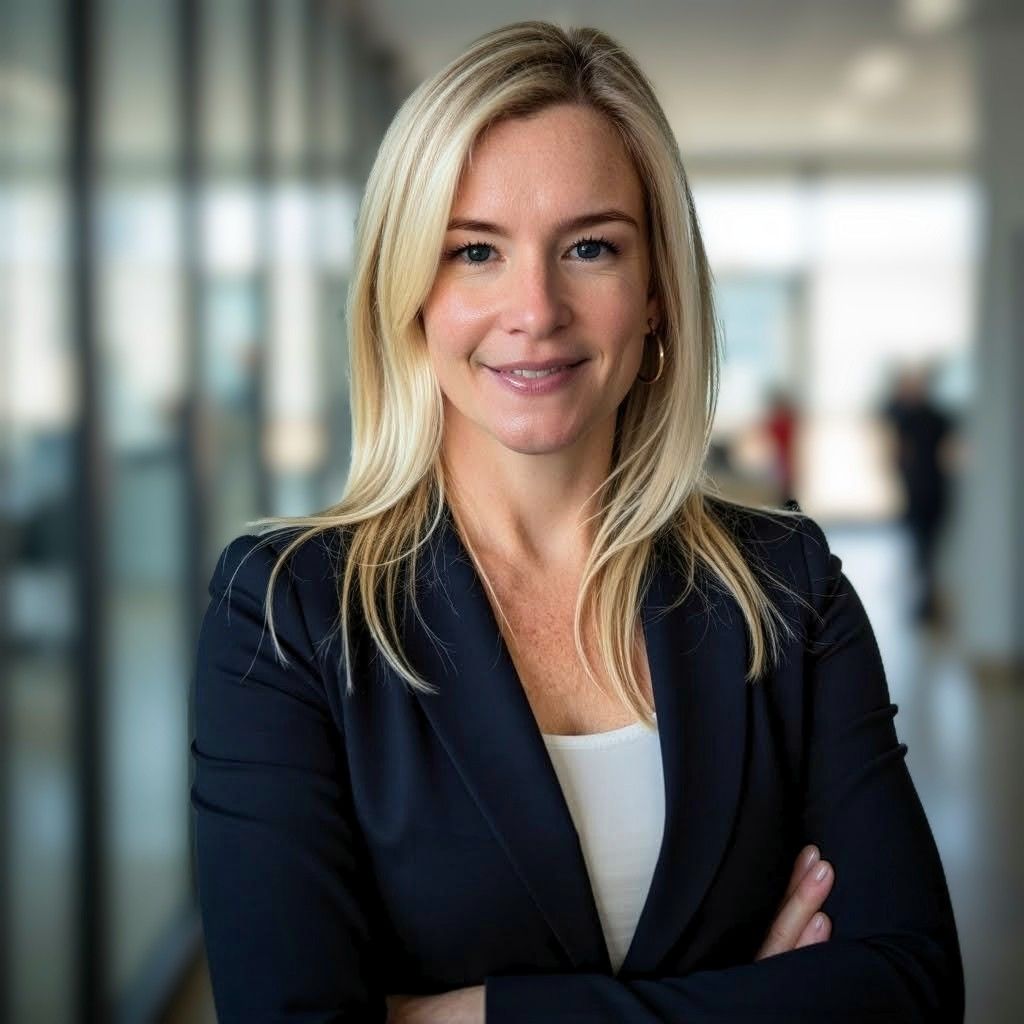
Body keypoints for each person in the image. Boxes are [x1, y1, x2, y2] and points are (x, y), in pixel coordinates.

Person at [189, 21, 964, 1023]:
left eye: (590, 247)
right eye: (474, 251)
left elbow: (911, 986)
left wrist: (455, 1014)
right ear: (407, 292)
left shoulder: (786, 587)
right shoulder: (286, 611)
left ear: (654, 297)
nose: (535, 307)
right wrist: (746, 1001)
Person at [881, 364, 957, 626]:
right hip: (929, 489)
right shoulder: (929, 417)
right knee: (924, 550)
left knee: (923, 550)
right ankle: (925, 602)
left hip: (926, 490)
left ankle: (925, 603)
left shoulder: (920, 417)